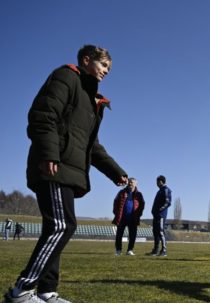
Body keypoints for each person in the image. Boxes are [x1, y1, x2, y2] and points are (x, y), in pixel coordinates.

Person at [2, 44, 128, 303]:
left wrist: (116, 172)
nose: (106, 71)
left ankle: (47, 291)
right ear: (86, 60)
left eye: (109, 68)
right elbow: (42, 115)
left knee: (55, 228)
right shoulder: (66, 77)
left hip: (69, 171)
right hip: (54, 166)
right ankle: (22, 291)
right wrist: (50, 153)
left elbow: (91, 146)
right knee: (62, 225)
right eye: (103, 65)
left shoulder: (92, 101)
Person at [112, 177, 145, 256]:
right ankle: (118, 250)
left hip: (133, 218)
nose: (130, 183)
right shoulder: (122, 192)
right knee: (119, 234)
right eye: (129, 182)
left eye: (132, 182)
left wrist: (139, 214)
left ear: (136, 184)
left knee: (132, 235)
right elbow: (115, 202)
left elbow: (142, 205)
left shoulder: (139, 194)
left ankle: (130, 250)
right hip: (122, 217)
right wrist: (116, 212)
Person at [148, 175, 171, 257]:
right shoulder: (159, 191)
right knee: (155, 232)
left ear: (161, 181)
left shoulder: (166, 190)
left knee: (161, 232)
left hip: (161, 215)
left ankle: (164, 250)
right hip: (156, 215)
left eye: (157, 181)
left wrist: (160, 210)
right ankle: (155, 250)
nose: (156, 183)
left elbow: (168, 202)